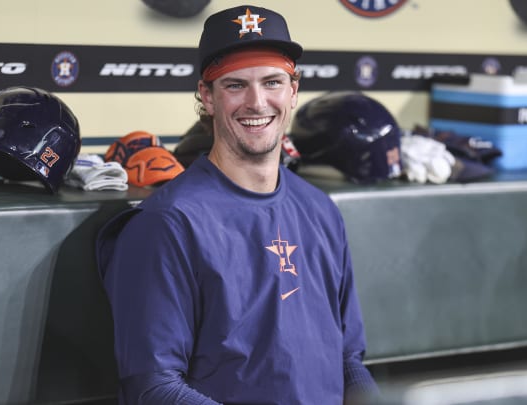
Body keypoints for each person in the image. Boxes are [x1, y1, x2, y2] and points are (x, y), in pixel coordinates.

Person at [97, 4, 377, 404]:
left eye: (272, 82)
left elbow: (348, 360)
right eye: (234, 85)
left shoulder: (320, 210)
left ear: (293, 91)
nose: (257, 102)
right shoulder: (168, 224)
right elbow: (154, 387)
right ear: (206, 97)